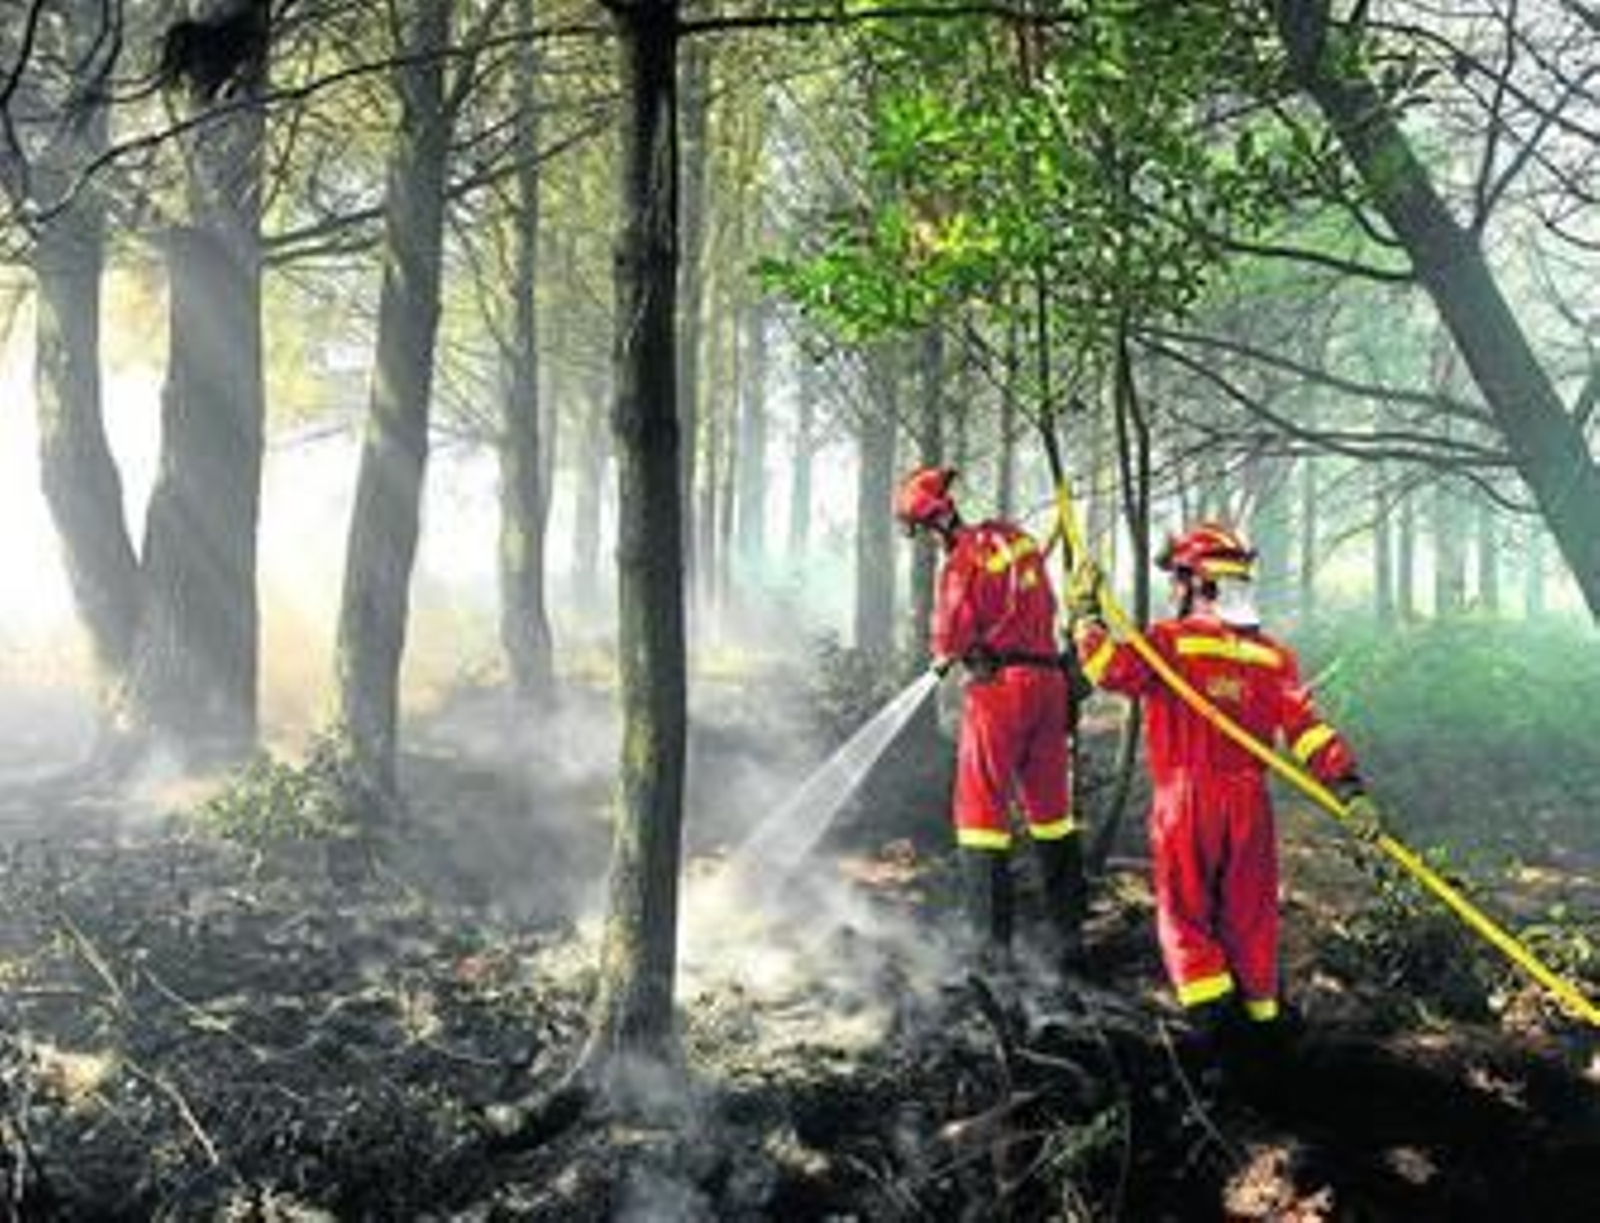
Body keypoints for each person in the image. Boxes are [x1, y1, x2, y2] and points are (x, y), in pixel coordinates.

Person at [1068, 523, 1384, 1058]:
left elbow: (1109, 669)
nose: (1173, 590)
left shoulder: (1168, 642)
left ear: (1198, 583)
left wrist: (1085, 617)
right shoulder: (1274, 658)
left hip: (1186, 799)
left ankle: (1220, 1034)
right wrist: (1349, 789)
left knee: (1185, 915)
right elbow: (1307, 730)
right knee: (1251, 917)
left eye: (1178, 580)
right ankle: (1263, 1022)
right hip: (1250, 805)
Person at [893, 465, 1086, 978]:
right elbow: (1040, 600)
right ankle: (1069, 939)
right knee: (1051, 813)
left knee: (980, 813)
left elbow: (950, 639)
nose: (924, 543)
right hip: (1050, 685)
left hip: (1000, 692)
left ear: (931, 524)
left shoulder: (959, 564)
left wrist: (944, 655)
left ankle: (990, 952)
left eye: (919, 532)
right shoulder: (1014, 536)